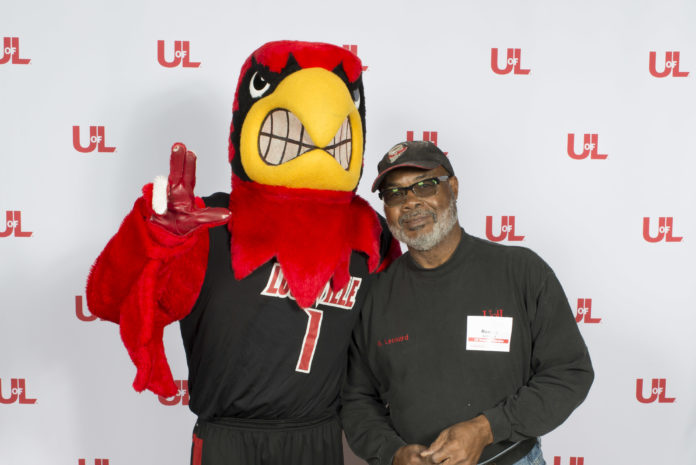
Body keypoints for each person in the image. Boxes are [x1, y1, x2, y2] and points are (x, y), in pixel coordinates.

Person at [86, 41, 399, 465]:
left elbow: (399, 334)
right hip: (231, 441)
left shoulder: (370, 234)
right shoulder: (209, 223)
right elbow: (109, 301)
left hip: (322, 437)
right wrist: (151, 240)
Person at [340, 140, 594, 465]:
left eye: (425, 185)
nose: (410, 203)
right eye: (395, 193)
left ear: (453, 188)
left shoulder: (520, 271)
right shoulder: (374, 295)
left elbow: (570, 372)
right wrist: (393, 452)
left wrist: (487, 429)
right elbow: (357, 399)